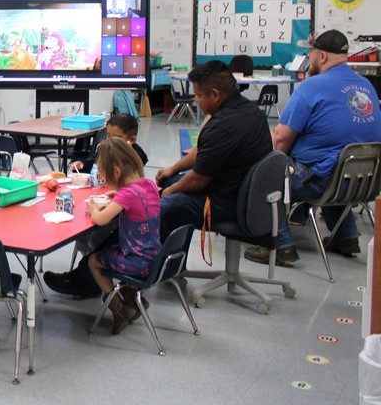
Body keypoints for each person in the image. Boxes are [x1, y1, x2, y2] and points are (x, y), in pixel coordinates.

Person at [245, 30, 381, 266]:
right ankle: (346, 237)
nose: (309, 58)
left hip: (323, 179)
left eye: (310, 53)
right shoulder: (366, 85)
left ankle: (280, 245)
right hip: (362, 181)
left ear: (322, 57)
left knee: (268, 173)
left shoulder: (312, 86)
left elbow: (280, 140)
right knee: (331, 161)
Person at [157, 60, 272, 243]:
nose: (195, 99)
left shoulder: (222, 127)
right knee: (165, 181)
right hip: (246, 192)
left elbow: (198, 180)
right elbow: (203, 150)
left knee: (166, 207)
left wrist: (169, 192)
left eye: (198, 95)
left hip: (231, 203)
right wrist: (173, 169)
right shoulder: (250, 110)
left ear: (215, 95)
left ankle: (160, 268)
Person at [44, 113, 149, 298]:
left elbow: (100, 218)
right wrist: (84, 165)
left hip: (132, 251)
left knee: (97, 238)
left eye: (115, 138)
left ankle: (100, 291)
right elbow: (93, 161)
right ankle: (86, 276)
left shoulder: (131, 165)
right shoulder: (145, 186)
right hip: (147, 249)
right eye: (107, 136)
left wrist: (94, 208)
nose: (109, 141)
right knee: (89, 236)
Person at [85, 137, 162, 335]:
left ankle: (119, 308)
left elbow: (100, 219)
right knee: (109, 250)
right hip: (156, 258)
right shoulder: (150, 186)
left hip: (137, 262)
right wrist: (117, 197)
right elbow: (134, 201)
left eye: (105, 176)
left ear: (117, 172)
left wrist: (94, 208)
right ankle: (131, 297)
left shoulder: (126, 196)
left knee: (93, 260)